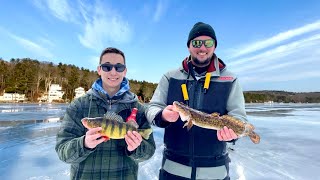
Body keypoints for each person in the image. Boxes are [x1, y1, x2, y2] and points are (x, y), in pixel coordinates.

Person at [146, 22, 247, 180]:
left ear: (214, 46)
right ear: (189, 46)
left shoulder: (230, 79)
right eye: (196, 42)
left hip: (215, 172)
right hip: (173, 169)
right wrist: (162, 115)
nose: (202, 48)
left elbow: (238, 115)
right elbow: (152, 107)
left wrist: (232, 134)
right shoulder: (170, 76)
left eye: (208, 43)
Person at [56, 47, 156, 180]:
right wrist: (84, 144)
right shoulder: (78, 106)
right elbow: (63, 152)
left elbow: (149, 152)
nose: (113, 72)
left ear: (125, 71)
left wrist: (135, 148)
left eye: (119, 67)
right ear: (99, 70)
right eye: (107, 67)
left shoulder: (139, 108)